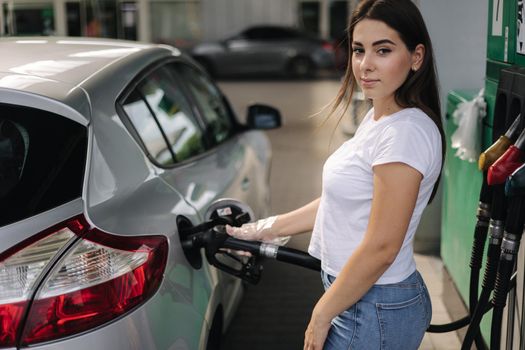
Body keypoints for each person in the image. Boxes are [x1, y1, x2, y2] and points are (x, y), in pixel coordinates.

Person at [226, 0, 444, 349]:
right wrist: (264, 229)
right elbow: (340, 202)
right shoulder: (379, 118)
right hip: (362, 299)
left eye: (383, 50)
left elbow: (382, 247)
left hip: (372, 308)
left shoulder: (405, 133)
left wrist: (321, 314)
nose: (365, 65)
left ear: (416, 56)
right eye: (359, 50)